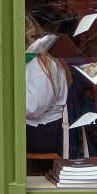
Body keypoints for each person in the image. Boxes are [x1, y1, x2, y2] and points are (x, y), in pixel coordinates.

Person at [25, 12, 70, 154]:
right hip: (35, 128)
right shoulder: (35, 61)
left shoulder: (41, 63)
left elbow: (32, 108)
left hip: (42, 132)